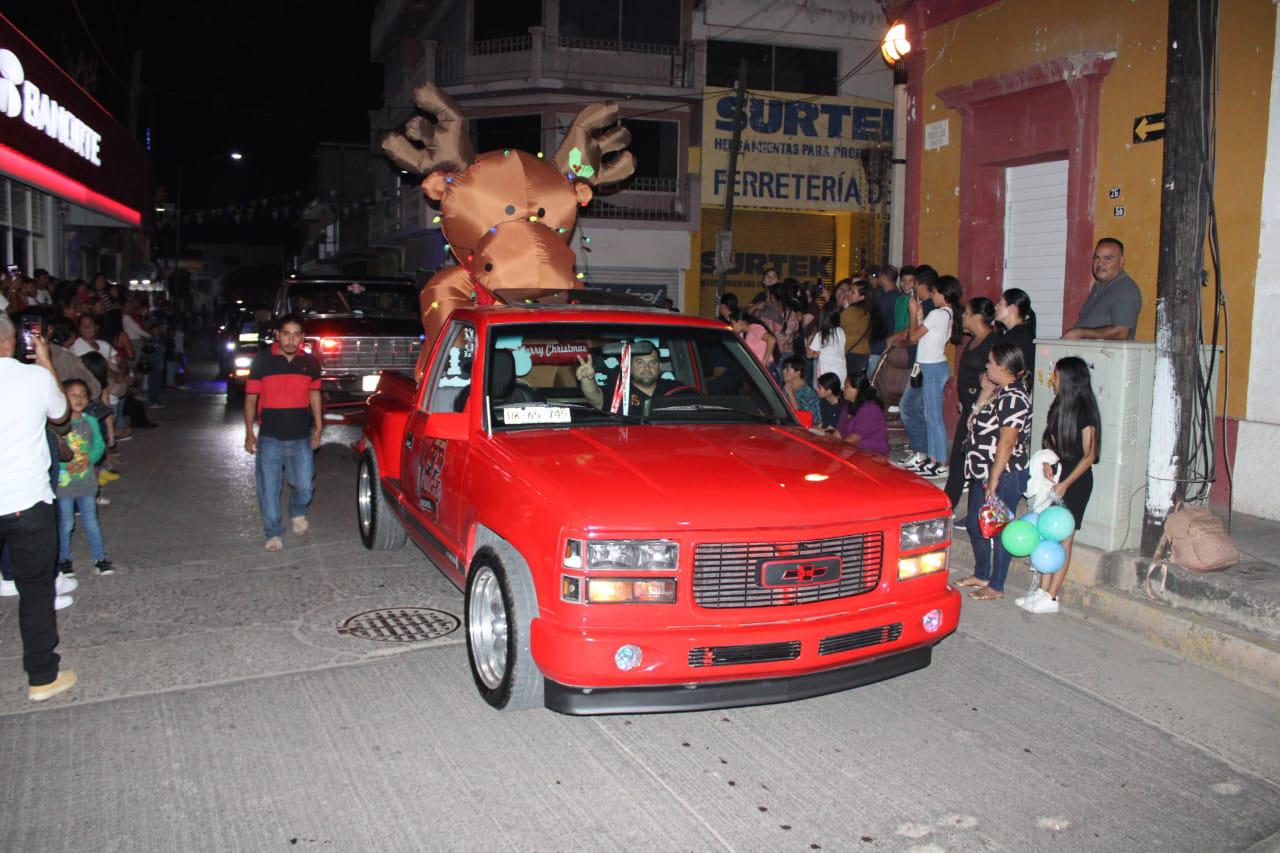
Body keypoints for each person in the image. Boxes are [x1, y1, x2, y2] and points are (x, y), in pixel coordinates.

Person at [0, 315, 77, 701]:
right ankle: (42, 677)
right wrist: (45, 359)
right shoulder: (33, 379)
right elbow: (61, 415)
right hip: (25, 503)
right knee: (34, 591)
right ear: (12, 342)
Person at [1017, 357, 1101, 614]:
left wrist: (1065, 483)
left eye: (1057, 375)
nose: (1053, 379)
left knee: (1063, 539)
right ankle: (1041, 592)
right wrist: (1048, 466)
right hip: (1057, 477)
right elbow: (1054, 446)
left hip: (1075, 481)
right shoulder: (1058, 406)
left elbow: (1090, 456)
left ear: (1070, 379)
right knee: (1045, 535)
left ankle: (1052, 597)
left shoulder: (1086, 410)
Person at [958, 342, 1033, 601]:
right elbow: (972, 421)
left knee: (1000, 529)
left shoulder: (1014, 397)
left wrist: (994, 479)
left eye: (991, 362)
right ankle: (981, 573)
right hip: (982, 470)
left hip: (1004, 473)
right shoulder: (998, 391)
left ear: (1003, 366)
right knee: (975, 523)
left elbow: (1007, 442)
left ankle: (997, 584)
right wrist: (983, 392)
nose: (987, 365)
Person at [244, 314, 322, 552]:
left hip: (300, 437)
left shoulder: (311, 363)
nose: (291, 339)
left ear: (302, 337)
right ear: (277, 335)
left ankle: (297, 512)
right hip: (270, 437)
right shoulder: (262, 362)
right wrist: (249, 431)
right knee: (269, 489)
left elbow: (315, 394)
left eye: (296, 334)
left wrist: (319, 424)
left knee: (305, 486)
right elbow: (250, 399)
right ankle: (273, 532)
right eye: (286, 334)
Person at [896, 273, 963, 478]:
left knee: (933, 417)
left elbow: (914, 336)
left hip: (933, 368)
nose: (931, 296)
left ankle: (941, 462)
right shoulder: (944, 314)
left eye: (934, 292)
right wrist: (918, 317)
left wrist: (912, 312)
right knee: (929, 416)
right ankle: (934, 460)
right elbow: (925, 338)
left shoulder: (939, 314)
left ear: (943, 294)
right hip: (929, 366)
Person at [944, 297, 999, 512]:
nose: (962, 317)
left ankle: (981, 511)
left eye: (966, 313)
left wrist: (977, 405)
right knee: (958, 457)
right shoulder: (974, 340)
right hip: (969, 409)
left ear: (977, 316)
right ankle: (948, 504)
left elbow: (992, 379)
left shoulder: (993, 343)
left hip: (983, 411)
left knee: (976, 460)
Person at [55, 380, 113, 576]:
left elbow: (99, 444)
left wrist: (89, 459)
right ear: (63, 397)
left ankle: (99, 557)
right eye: (73, 394)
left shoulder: (90, 421)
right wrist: (65, 464)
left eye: (83, 395)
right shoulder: (57, 425)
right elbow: (51, 451)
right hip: (64, 485)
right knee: (66, 523)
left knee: (91, 521)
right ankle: (64, 558)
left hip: (86, 483)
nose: (79, 399)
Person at [1063, 238, 1142, 340]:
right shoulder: (1098, 286)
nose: (1100, 263)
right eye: (1097, 258)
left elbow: (1121, 332)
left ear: (1121, 262)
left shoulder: (1125, 289)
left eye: (1108, 258)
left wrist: (1080, 333)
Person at [576, 342, 681, 412]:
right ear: (629, 366)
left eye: (652, 362)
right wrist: (587, 378)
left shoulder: (676, 389)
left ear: (660, 366)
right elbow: (594, 398)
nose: (647, 367)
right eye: (640, 362)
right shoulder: (617, 391)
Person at [833, 372, 890, 456]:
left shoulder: (870, 408)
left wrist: (839, 451)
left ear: (857, 390)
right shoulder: (847, 405)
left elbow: (855, 437)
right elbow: (839, 431)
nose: (843, 389)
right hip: (851, 449)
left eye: (847, 386)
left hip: (871, 453)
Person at [995, 288, 1037, 382]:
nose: (996, 307)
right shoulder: (1022, 333)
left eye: (1000, 304)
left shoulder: (1015, 338)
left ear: (1012, 309)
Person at [867, 266, 901, 376]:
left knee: (873, 383)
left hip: (879, 347)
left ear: (884, 278)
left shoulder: (885, 299)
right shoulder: (899, 297)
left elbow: (873, 321)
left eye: (879, 276)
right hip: (890, 348)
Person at [807, 299, 847, 386]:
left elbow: (809, 355)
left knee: (824, 398)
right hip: (841, 374)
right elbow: (821, 353)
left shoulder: (821, 335)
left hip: (826, 377)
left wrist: (809, 341)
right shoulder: (841, 331)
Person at [779, 355, 820, 425]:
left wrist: (791, 395)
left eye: (787, 369)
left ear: (798, 372)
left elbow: (809, 421)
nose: (783, 371)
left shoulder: (807, 393)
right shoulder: (787, 386)